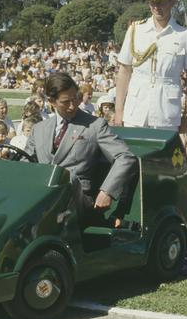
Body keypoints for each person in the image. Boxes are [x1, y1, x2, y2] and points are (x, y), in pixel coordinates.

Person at [25, 72, 137, 227]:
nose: (73, 106)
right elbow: (24, 163)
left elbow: (125, 157)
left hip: (77, 200)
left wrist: (107, 191)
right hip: (42, 197)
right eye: (65, 102)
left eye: (75, 98)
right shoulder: (39, 129)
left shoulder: (95, 125)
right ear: (51, 101)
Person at [115, 0, 187, 133]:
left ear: (172, 1)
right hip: (135, 111)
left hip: (166, 113)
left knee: (163, 158)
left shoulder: (185, 35)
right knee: (131, 156)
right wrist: (119, 110)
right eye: (152, 3)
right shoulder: (135, 30)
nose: (156, 7)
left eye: (161, 2)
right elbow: (124, 70)